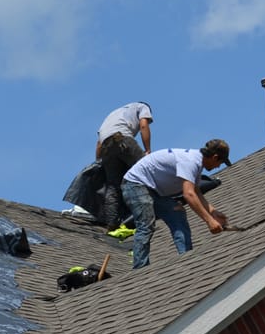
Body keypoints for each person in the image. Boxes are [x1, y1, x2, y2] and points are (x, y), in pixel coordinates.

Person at [121, 139, 232, 269]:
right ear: (215, 157)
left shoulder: (197, 164)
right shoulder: (191, 162)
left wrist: (213, 213)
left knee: (177, 213)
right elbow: (189, 195)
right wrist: (209, 221)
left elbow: (197, 193)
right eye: (219, 163)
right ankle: (140, 269)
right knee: (146, 224)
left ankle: (186, 259)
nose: (218, 167)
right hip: (135, 184)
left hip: (152, 190)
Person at [96, 102, 154, 231]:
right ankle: (159, 205)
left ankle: (111, 222)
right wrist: (148, 150)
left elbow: (99, 144)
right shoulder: (142, 107)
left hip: (106, 146)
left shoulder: (114, 114)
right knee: (146, 170)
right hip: (122, 139)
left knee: (112, 186)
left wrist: (99, 162)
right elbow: (144, 125)